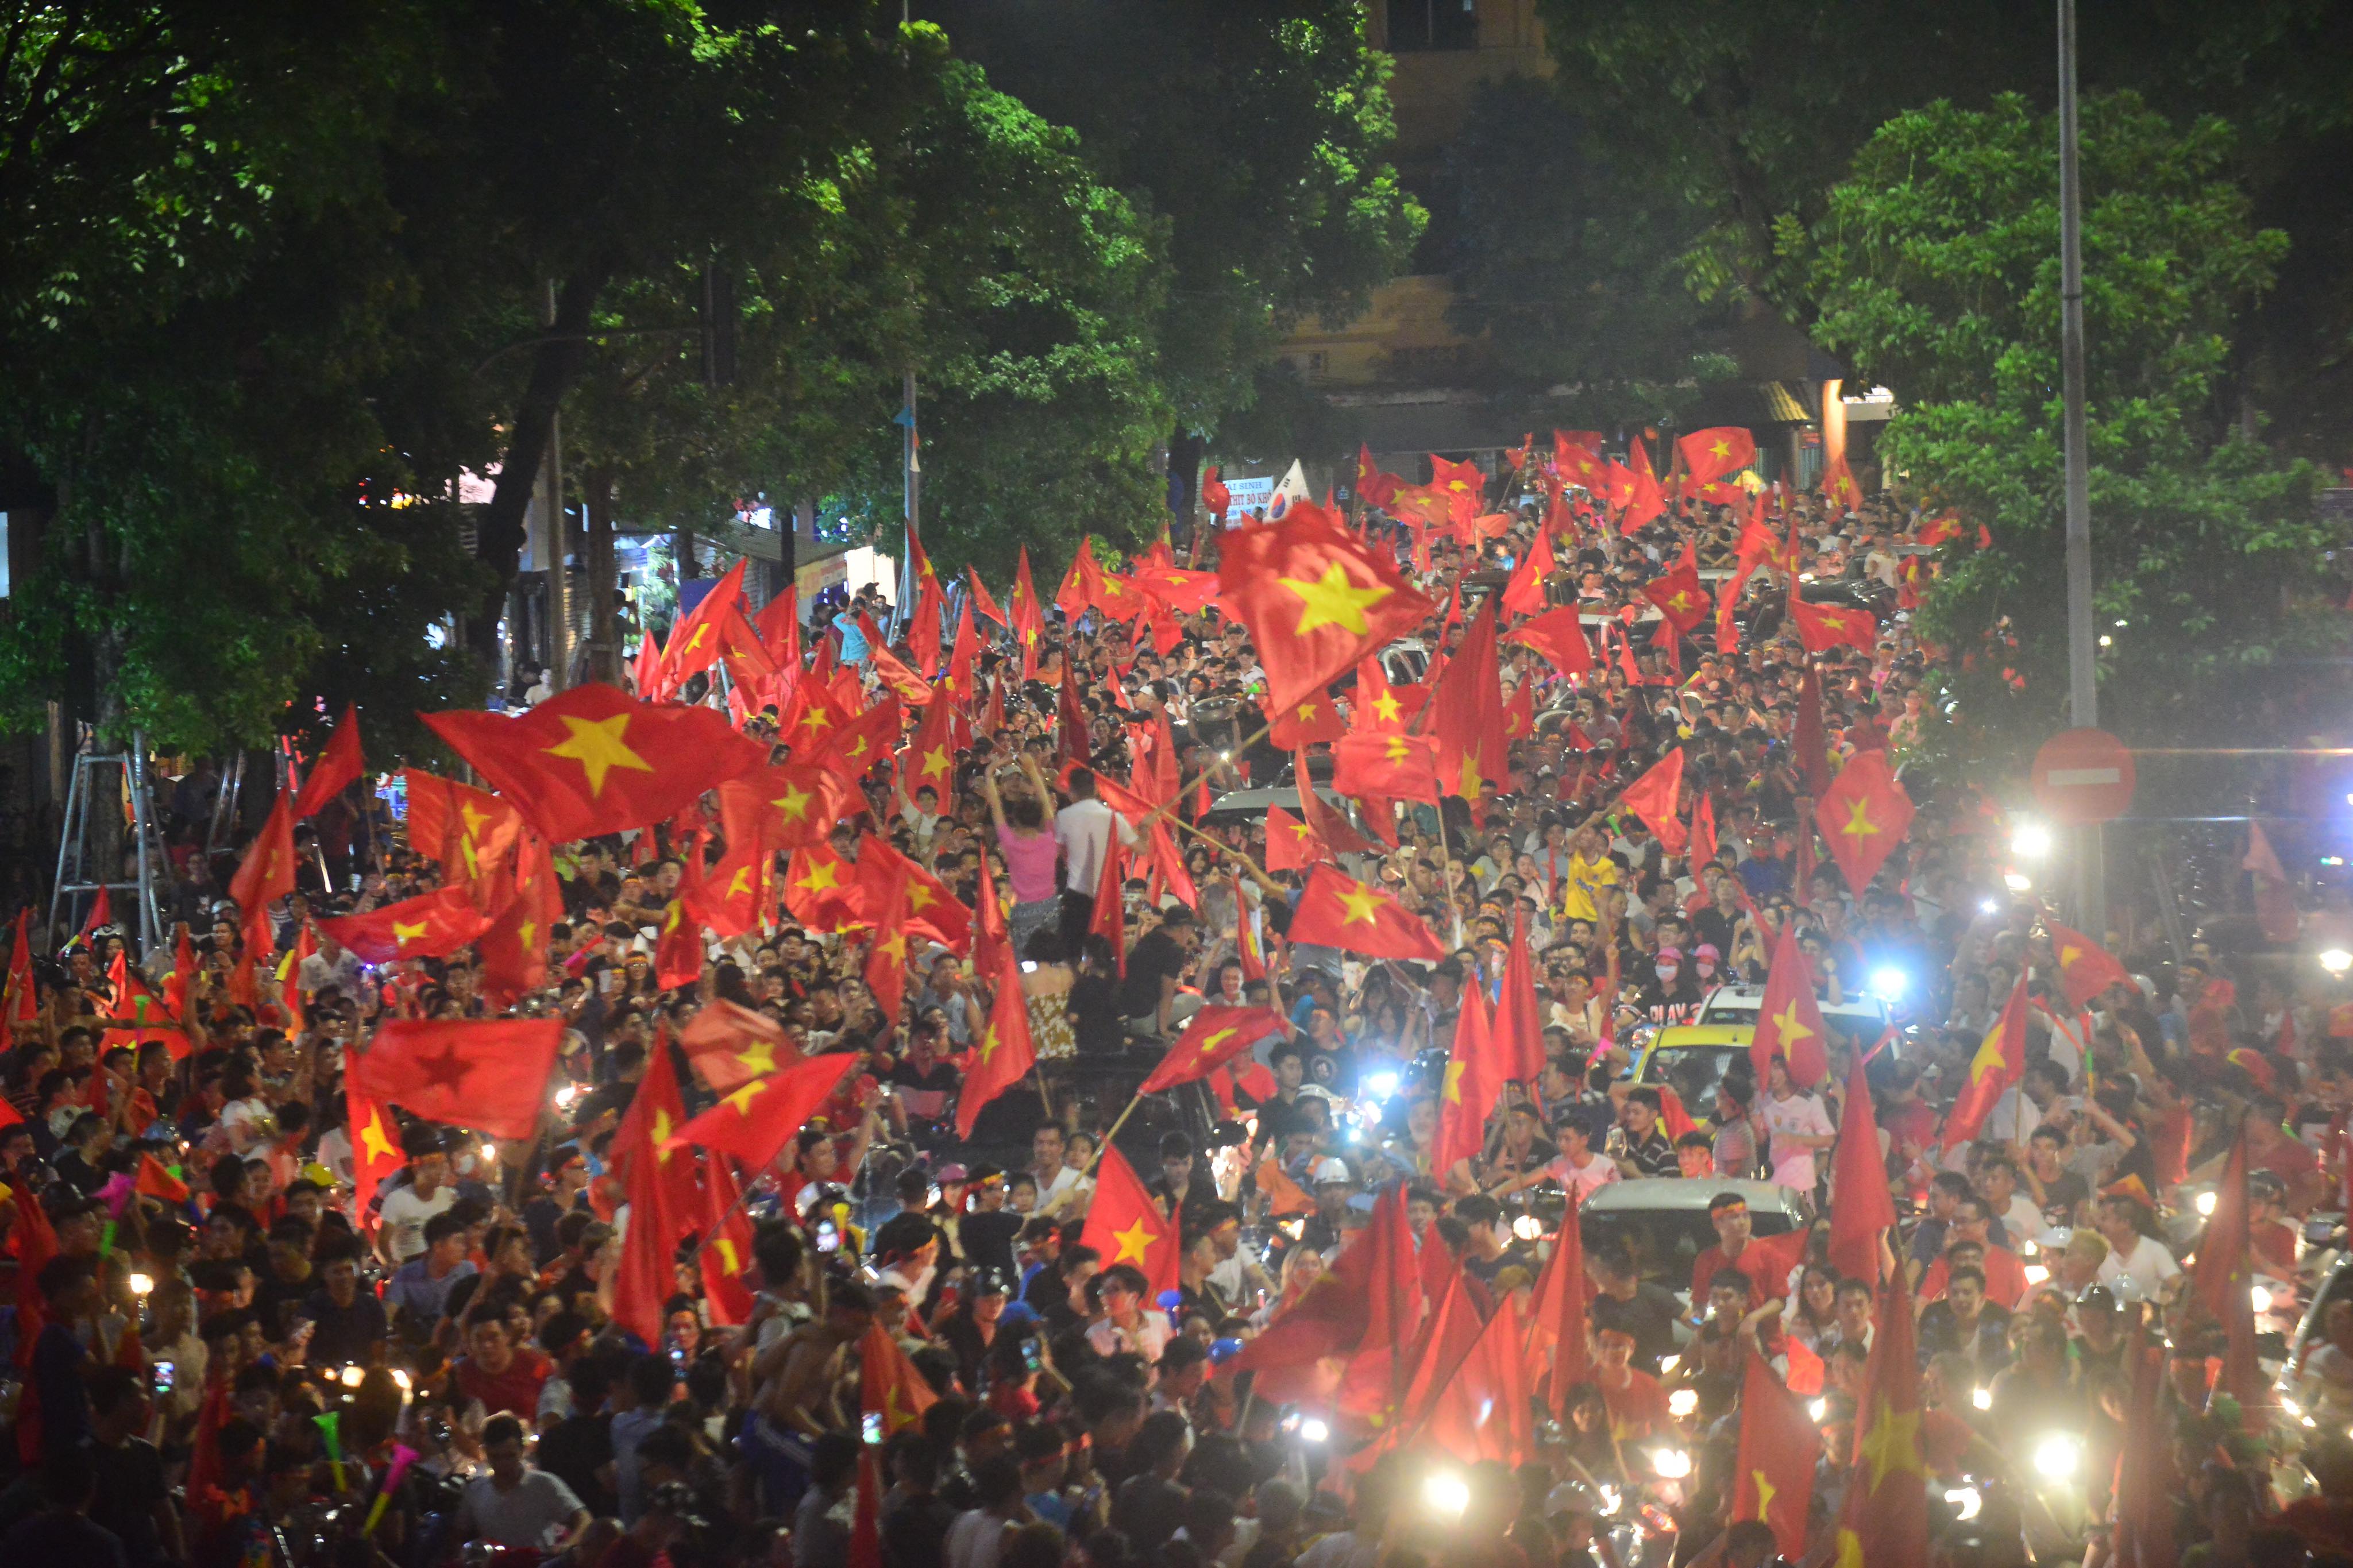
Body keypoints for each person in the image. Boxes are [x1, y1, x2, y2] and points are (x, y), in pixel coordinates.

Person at [457, 1413, 591, 1550]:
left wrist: (568, 1545)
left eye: (509, 1456)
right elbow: (458, 1535)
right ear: (485, 1453)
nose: (503, 1464)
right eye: (495, 1457)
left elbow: (584, 1519)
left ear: (522, 1450)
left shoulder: (544, 1484)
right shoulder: (475, 1491)